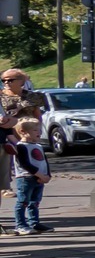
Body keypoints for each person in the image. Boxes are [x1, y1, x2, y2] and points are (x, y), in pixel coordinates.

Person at [1, 67, 44, 202]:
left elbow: (38, 115)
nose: (6, 83)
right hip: (8, 132)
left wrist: (38, 130)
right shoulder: (0, 96)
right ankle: (5, 187)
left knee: (28, 161)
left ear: (22, 81)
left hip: (28, 132)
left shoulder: (33, 96)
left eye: (10, 80)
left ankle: (31, 184)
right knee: (7, 162)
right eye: (4, 80)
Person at [10, 115, 52, 235]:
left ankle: (34, 222)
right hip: (26, 178)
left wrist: (47, 175)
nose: (38, 132)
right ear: (23, 132)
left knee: (35, 202)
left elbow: (45, 162)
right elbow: (25, 164)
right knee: (23, 201)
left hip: (40, 178)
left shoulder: (39, 146)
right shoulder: (21, 146)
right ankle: (20, 225)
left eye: (39, 129)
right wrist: (39, 174)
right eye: (35, 130)